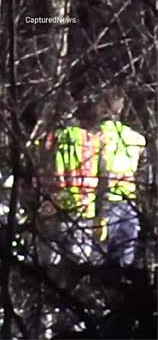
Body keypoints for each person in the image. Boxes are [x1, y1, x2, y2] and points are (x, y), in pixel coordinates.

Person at [41, 88, 145, 266]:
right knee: (123, 263)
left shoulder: (95, 138)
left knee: (93, 262)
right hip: (128, 205)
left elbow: (98, 176)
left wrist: (99, 212)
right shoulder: (136, 138)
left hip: (100, 204)